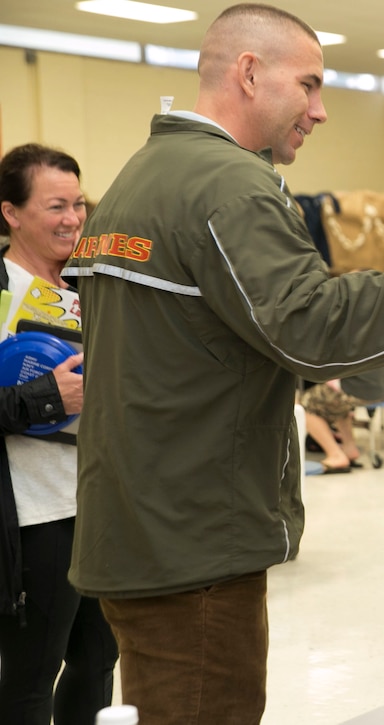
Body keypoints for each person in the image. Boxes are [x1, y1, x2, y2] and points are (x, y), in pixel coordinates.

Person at [60, 4, 384, 723]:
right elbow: (320, 328)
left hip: (143, 530)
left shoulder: (143, 177)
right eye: (310, 85)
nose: (320, 111)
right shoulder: (225, 186)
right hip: (193, 546)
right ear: (249, 74)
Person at [0, 144, 118, 723]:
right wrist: (47, 396)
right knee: (32, 675)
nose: (72, 218)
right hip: (35, 515)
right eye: (55, 206)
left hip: (100, 504)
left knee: (99, 659)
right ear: (11, 213)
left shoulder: (90, 284)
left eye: (77, 203)